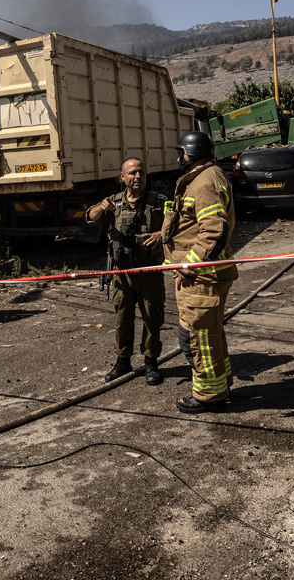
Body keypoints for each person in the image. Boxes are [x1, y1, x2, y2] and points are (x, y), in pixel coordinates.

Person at [162, 130, 239, 414]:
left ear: (190, 153)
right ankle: (220, 385)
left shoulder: (205, 183)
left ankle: (209, 395)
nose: (178, 157)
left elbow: (214, 230)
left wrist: (190, 265)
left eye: (180, 152)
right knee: (211, 333)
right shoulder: (204, 178)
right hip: (204, 274)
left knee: (197, 337)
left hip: (201, 278)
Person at [85, 157, 168, 385]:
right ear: (122, 177)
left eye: (141, 172)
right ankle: (123, 361)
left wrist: (161, 235)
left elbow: (177, 224)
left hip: (149, 272)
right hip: (123, 274)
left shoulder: (158, 201)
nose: (137, 177)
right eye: (131, 173)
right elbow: (91, 217)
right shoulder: (114, 202)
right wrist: (102, 207)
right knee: (123, 318)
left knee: (152, 318)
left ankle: (151, 362)